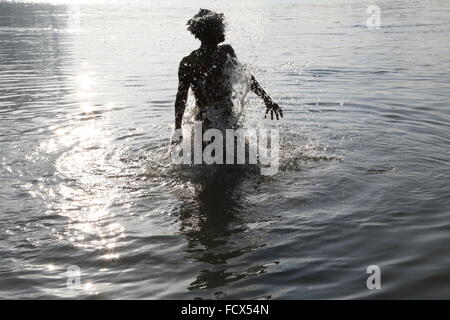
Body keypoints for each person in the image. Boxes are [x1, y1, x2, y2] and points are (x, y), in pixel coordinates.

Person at [173, 9, 282, 144]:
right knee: (225, 158)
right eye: (219, 27)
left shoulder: (226, 52)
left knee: (228, 158)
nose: (223, 30)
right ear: (210, 32)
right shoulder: (190, 62)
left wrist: (267, 100)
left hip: (228, 118)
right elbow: (181, 98)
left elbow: (245, 78)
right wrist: (178, 129)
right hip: (208, 122)